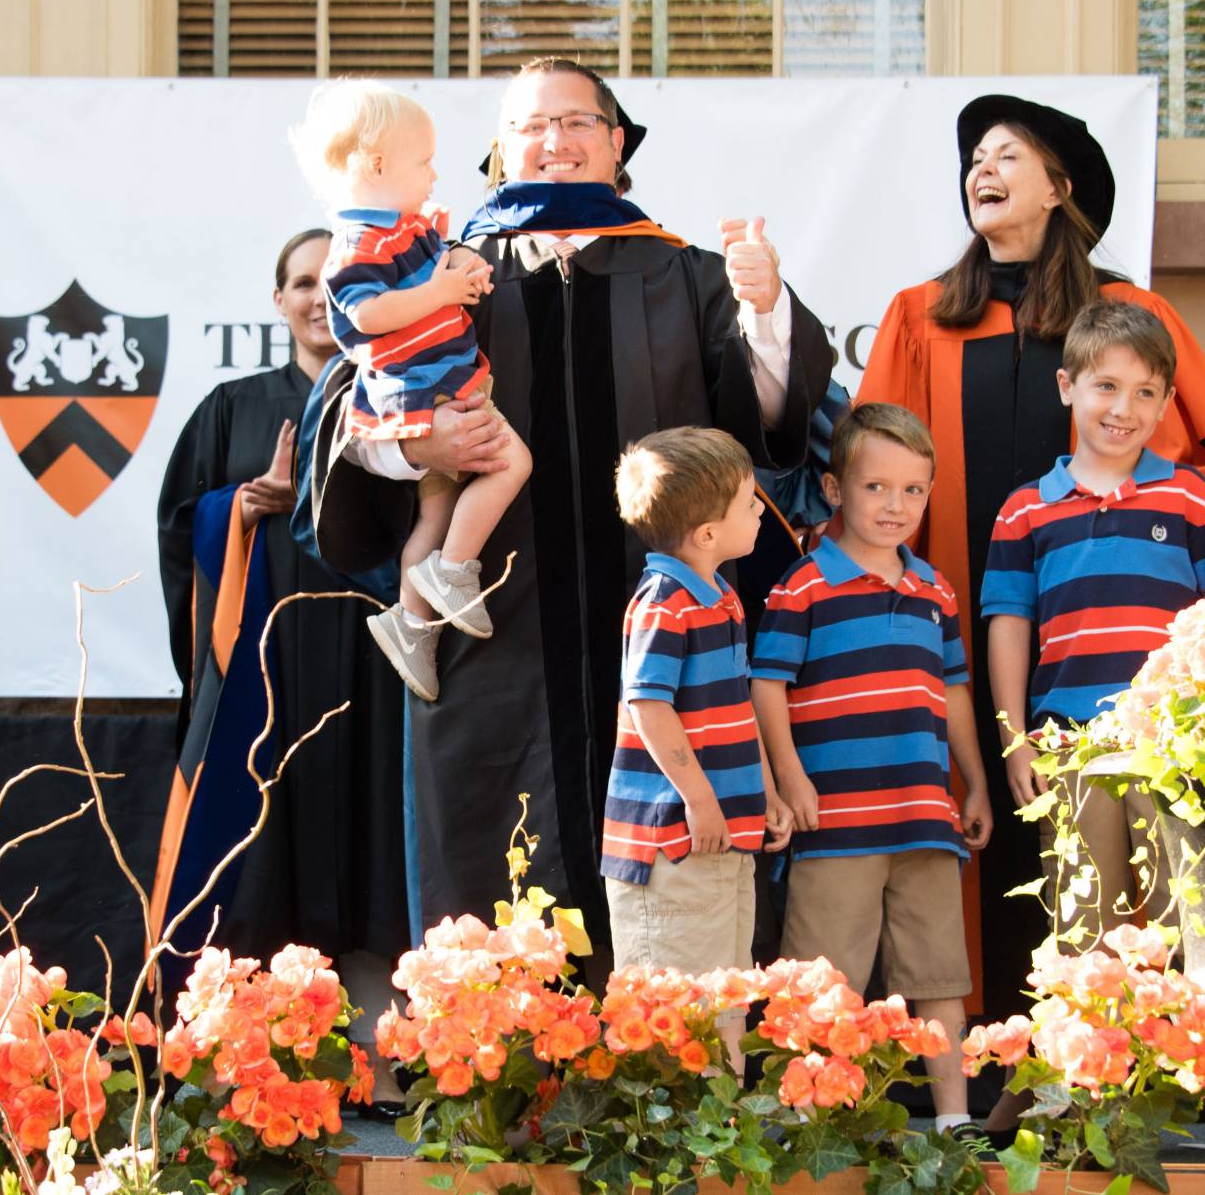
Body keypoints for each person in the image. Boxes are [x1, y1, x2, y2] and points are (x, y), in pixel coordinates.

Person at [306, 57, 832, 940]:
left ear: (616, 142)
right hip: (493, 628)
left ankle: (667, 1033)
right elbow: (343, 412)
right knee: (501, 891)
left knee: (676, 920)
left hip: (666, 630)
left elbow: (774, 423)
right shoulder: (441, 269)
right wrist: (416, 447)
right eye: (529, 126)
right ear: (500, 149)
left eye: (577, 121)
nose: (554, 139)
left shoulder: (687, 275)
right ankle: (505, 1031)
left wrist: (767, 310)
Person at [855, 94, 1205, 1020]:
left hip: (1114, 666)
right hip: (968, 631)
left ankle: (1118, 1045)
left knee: (1114, 879)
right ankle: (976, 1045)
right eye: (975, 158)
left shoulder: (1133, 314)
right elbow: (873, 475)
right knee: (975, 805)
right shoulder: (920, 315)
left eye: (1006, 156)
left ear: (1058, 188)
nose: (982, 170)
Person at [154, 227, 408, 1105]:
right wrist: (241, 508)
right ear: (279, 301)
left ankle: (382, 1056)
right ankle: (246, 1060)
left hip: (373, 670)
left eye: (336, 283)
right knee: (262, 847)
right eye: (303, 283)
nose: (317, 299)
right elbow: (179, 525)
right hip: (267, 671)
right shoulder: (232, 408)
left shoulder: (399, 401)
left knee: (377, 843)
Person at [751, 403, 992, 1134]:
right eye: (875, 487)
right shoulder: (802, 587)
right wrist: (789, 777)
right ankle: (805, 1123)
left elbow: (954, 691)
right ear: (834, 489)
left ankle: (953, 1121)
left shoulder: (935, 590)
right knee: (821, 981)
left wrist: (975, 782)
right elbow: (767, 686)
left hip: (923, 819)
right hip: (836, 825)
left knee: (939, 974)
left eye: (913, 490)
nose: (895, 506)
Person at [981, 302, 1205, 940]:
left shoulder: (1192, 497)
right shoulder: (1023, 511)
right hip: (1069, 745)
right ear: (1067, 386)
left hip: (1178, 741)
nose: (1123, 408)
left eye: (1144, 393)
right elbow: (1009, 627)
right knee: (1083, 925)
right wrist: (1016, 740)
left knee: (1188, 920)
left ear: (1166, 405)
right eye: (1106, 386)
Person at [288, 80, 532, 702]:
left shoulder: (406, 230)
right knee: (513, 462)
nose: (433, 174)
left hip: (435, 385)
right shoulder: (356, 244)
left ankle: (411, 626)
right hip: (427, 392)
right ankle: (452, 570)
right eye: (423, 161)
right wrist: (440, 291)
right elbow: (367, 315)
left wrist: (459, 266)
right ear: (376, 165)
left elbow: (434, 269)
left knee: (436, 513)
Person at [606, 428, 793, 1068]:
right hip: (673, 845)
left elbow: (736, 709)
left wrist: (765, 793)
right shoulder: (664, 603)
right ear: (707, 534)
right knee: (675, 1012)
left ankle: (722, 1119)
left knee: (725, 1001)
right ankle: (685, 1125)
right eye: (748, 502)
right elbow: (648, 706)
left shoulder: (722, 599)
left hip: (725, 838)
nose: (760, 510)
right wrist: (701, 801)